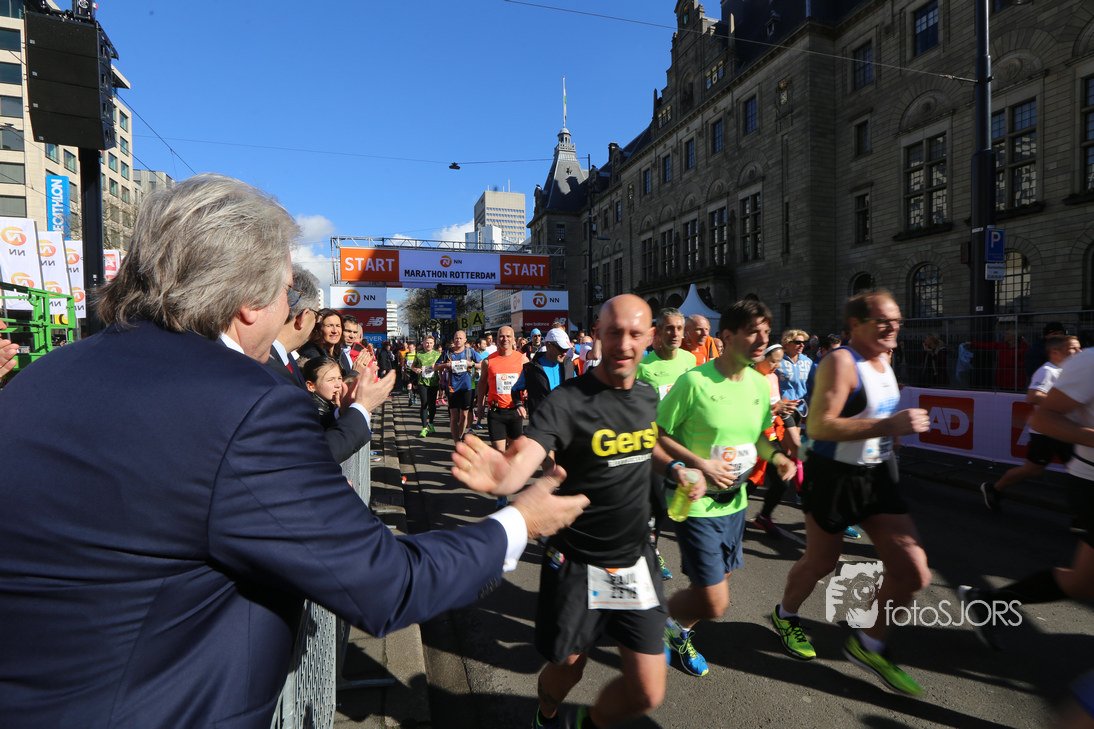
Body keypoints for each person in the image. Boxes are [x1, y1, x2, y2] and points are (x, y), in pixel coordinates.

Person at [0, 173, 589, 729]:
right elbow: (385, 583)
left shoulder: (40, 378)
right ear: (248, 302)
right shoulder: (245, 404)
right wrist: (521, 521)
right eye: (285, 292)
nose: (290, 311)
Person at [452, 294, 696, 729]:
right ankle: (546, 717)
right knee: (568, 666)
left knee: (648, 690)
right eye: (615, 332)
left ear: (651, 338)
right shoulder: (568, 400)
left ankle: (587, 723)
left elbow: (649, 441)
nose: (624, 344)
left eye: (635, 334)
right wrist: (507, 477)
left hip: (635, 560)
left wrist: (675, 467)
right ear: (598, 335)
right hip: (577, 562)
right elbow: (530, 452)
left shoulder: (645, 395)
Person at [770, 289, 931, 696]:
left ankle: (869, 644)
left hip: (877, 474)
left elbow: (871, 412)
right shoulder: (841, 362)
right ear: (856, 325)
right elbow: (820, 425)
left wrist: (889, 435)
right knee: (822, 561)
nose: (893, 327)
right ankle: (785, 614)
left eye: (897, 320)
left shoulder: (885, 357)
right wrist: (889, 426)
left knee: (913, 571)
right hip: (834, 476)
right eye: (883, 321)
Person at [658, 299, 797, 678]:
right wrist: (699, 465)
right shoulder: (695, 382)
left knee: (720, 579)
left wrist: (777, 457)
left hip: (736, 502)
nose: (762, 340)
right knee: (715, 601)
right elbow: (658, 433)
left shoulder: (758, 383)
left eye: (766, 332)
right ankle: (655, 620)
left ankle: (677, 630)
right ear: (728, 336)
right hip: (696, 502)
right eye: (753, 332)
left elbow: (758, 437)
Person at [960, 345, 1094, 651]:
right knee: (1033, 468)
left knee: (1083, 581)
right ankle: (994, 489)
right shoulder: (1082, 363)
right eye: (1069, 348)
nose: (1074, 351)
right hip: (1086, 475)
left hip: (1073, 454)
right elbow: (1040, 414)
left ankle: (989, 602)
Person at [264, 265, 384, 463]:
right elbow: (303, 453)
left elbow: (308, 425)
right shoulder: (269, 367)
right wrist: (359, 410)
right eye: (323, 321)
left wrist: (340, 413)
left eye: (339, 326)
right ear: (305, 317)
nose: (336, 331)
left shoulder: (286, 361)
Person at [980, 335, 1082, 512]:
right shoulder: (1047, 371)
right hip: (1047, 431)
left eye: (1079, 347)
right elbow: (1033, 397)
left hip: (1066, 429)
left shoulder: (1069, 370)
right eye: (1073, 348)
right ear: (1055, 352)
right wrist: (1066, 403)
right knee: (1033, 469)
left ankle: (1081, 513)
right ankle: (994, 488)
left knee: (1079, 470)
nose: (1079, 351)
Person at [635, 307, 698, 580]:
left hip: (685, 445)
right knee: (659, 505)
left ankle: (690, 556)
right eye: (669, 328)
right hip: (655, 447)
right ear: (658, 332)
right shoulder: (644, 367)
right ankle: (653, 550)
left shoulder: (690, 360)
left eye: (679, 328)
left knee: (682, 504)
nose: (674, 333)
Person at [476, 325, 529, 453]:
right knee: (499, 454)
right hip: (495, 410)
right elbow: (482, 383)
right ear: (497, 339)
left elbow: (530, 382)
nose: (505, 339)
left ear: (514, 339)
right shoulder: (488, 361)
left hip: (515, 411)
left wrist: (527, 391)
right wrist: (480, 405)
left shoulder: (522, 359)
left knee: (514, 453)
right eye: (502, 336)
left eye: (508, 336)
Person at [520, 327, 576, 418]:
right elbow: (515, 389)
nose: (565, 353)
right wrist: (519, 405)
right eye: (562, 349)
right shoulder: (531, 368)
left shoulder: (569, 365)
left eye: (566, 349)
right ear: (549, 346)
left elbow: (576, 388)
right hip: (541, 421)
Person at [438, 329, 481, 444]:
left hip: (467, 387)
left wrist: (471, 364)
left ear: (465, 340)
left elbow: (482, 364)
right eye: (456, 338)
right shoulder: (447, 352)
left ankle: (461, 437)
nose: (458, 340)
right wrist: (445, 365)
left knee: (464, 415)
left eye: (460, 338)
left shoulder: (470, 352)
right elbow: (436, 367)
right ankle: (457, 441)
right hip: (452, 387)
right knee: (454, 416)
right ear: (454, 339)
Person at [298, 308, 353, 375]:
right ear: (317, 328)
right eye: (329, 326)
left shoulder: (340, 353)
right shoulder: (310, 354)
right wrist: (355, 372)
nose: (335, 331)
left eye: (338, 326)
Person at [411, 335, 442, 437]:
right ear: (423, 344)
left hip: (433, 382)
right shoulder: (419, 354)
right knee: (424, 403)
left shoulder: (437, 354)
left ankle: (431, 423)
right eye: (427, 343)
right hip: (422, 382)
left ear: (433, 344)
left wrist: (437, 368)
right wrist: (416, 370)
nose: (428, 345)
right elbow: (413, 366)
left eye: (430, 343)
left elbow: (441, 367)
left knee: (432, 405)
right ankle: (424, 427)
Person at [303, 354, 344, 429]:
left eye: (339, 378)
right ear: (311, 386)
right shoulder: (314, 412)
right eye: (330, 380)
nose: (338, 385)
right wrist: (340, 413)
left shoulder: (329, 404)